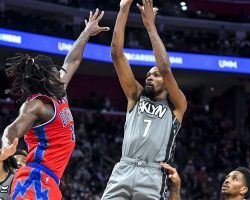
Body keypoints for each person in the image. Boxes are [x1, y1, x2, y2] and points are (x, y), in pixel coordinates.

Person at [0, 9, 109, 200]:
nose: (60, 77)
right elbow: (11, 130)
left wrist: (86, 32)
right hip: (34, 179)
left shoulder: (59, 90)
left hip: (49, 179)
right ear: (43, 82)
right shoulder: (37, 105)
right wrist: (6, 147)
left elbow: (73, 59)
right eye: (54, 76)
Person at [102, 0, 187, 199]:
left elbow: (165, 68)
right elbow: (116, 54)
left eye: (155, 75)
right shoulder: (135, 96)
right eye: (148, 74)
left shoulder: (177, 106)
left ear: (166, 83)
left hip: (153, 174)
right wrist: (123, 9)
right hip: (124, 168)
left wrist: (150, 27)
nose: (150, 77)